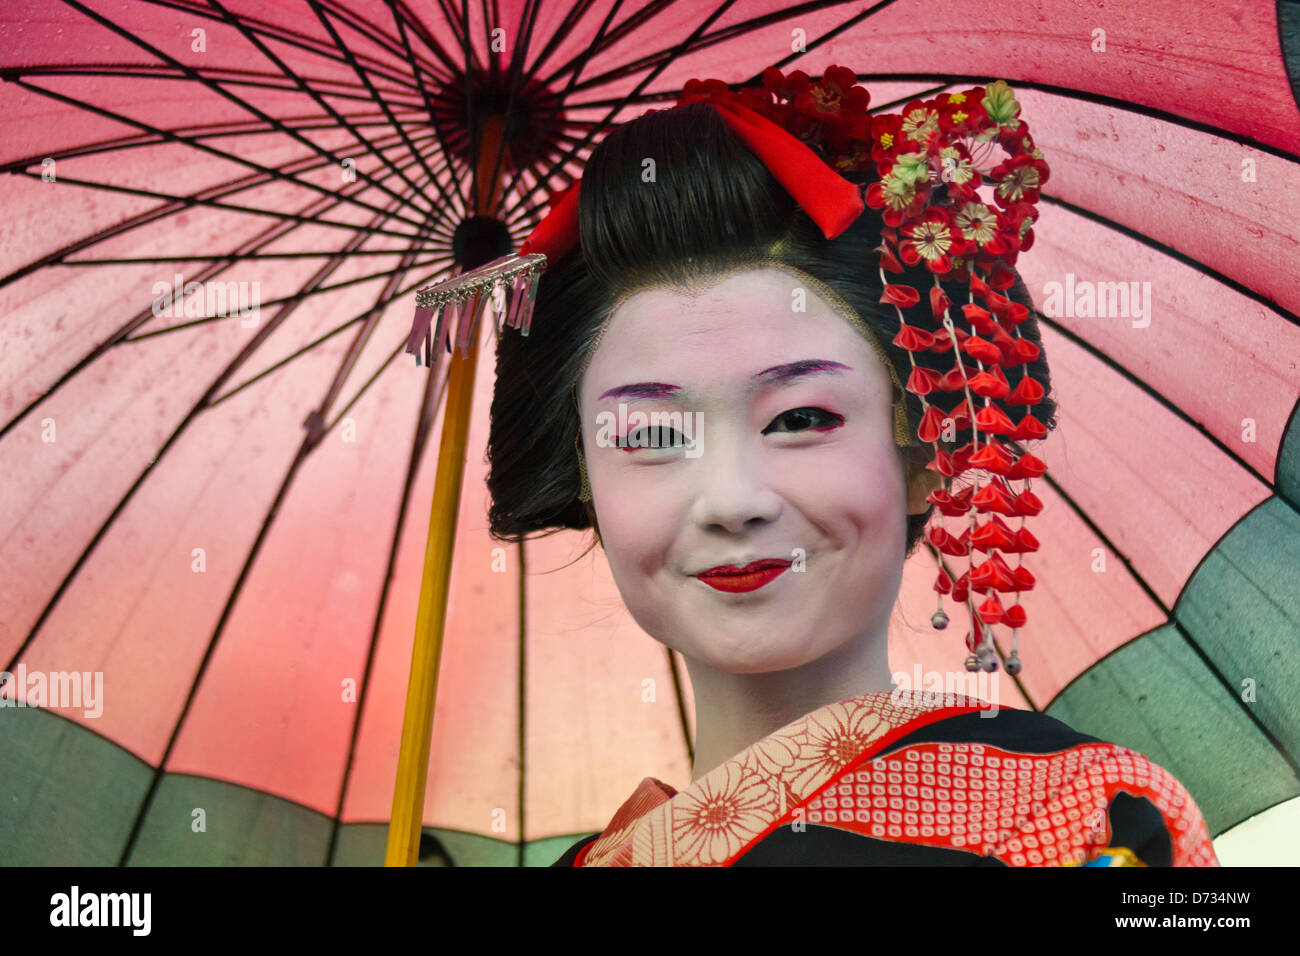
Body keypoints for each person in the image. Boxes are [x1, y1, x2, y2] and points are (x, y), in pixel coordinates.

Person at [476, 68, 1219, 866]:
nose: (731, 499)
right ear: (583, 474)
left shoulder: (1080, 818)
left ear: (927, 447)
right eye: (654, 436)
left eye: (801, 419)